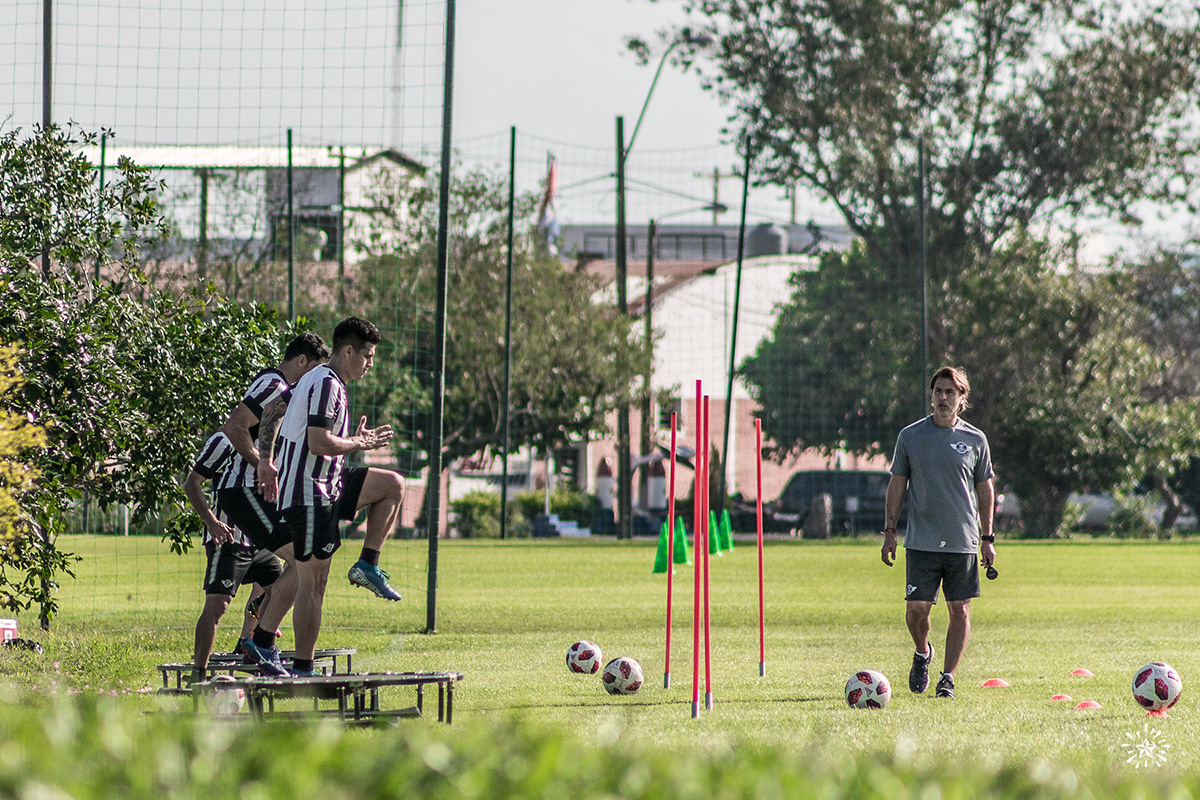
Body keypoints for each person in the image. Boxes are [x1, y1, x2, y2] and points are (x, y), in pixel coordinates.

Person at [271, 316, 405, 677]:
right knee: (313, 583)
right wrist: (358, 443)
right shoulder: (327, 383)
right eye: (367, 356)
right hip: (308, 491)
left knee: (393, 485)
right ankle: (302, 668)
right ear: (347, 351)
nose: (370, 364)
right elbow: (318, 442)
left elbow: (313, 435)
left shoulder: (326, 382)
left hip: (328, 483)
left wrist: (352, 441)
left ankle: (368, 565)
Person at [217, 332, 330, 676]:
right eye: (315, 370)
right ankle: (259, 641)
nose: (316, 381)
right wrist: (262, 466)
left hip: (256, 491)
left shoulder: (289, 392)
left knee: (298, 563)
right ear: (301, 362)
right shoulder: (274, 383)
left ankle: (258, 632)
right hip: (243, 489)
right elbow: (235, 427)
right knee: (302, 560)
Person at [881, 365, 995, 700]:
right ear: (931, 396)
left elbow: (985, 490)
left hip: (962, 541)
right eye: (938, 391)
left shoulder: (975, 439)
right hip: (922, 541)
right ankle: (922, 652)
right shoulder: (911, 437)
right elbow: (897, 485)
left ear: (962, 399)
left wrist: (987, 538)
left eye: (950, 392)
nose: (942, 398)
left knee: (959, 609)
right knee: (917, 609)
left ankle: (947, 678)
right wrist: (890, 531)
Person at [182, 430, 284, 683]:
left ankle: (252, 645)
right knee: (218, 605)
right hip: (227, 539)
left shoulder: (274, 443)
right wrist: (211, 522)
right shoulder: (224, 441)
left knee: (285, 586)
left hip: (260, 541)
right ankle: (199, 674)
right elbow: (192, 483)